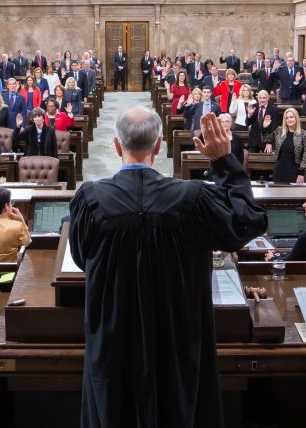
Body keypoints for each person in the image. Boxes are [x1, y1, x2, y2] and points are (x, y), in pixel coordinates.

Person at [69, 108, 266, 427]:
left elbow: (81, 257)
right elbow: (248, 221)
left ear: (117, 146)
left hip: (115, 345)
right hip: (176, 343)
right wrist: (223, 162)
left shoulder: (90, 200)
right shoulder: (194, 199)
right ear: (159, 145)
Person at [264, 107, 306, 183]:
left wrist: (301, 173)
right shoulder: (279, 130)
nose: (289, 119)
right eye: (287, 118)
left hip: (295, 170)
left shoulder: (304, 134)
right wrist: (265, 128)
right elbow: (265, 140)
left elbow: (305, 156)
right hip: (279, 169)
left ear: (296, 118)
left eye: (291, 117)